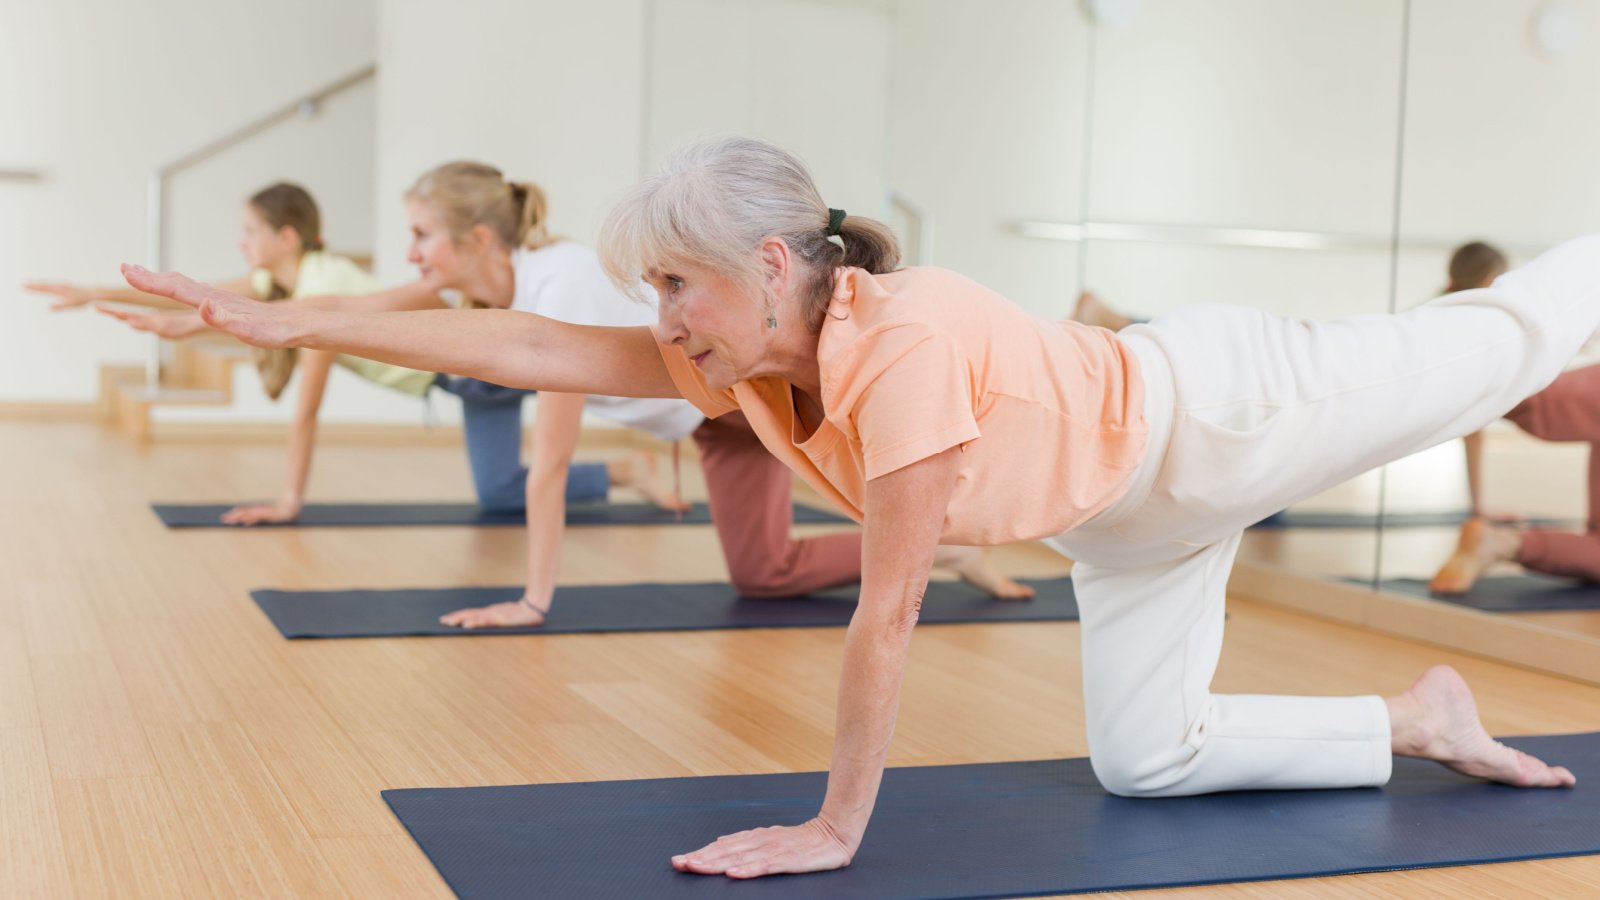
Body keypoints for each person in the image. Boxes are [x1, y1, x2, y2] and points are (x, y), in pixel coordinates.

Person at [122, 136, 1583, 881]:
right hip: (1129, 516)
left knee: (1506, 340)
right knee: (1151, 761)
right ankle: (1415, 721)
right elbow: (526, 348)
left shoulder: (907, 342)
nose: (661, 320)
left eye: (675, 286)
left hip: (1225, 410)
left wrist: (835, 829)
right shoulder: (750, 357)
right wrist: (286, 330)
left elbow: (887, 618)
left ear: (768, 261)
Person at [108, 162, 1027, 626]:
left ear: (476, 240)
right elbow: (354, 306)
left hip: (740, 409)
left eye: (424, 236)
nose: (414, 256)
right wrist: (227, 316)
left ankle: (936, 552)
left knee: (770, 569)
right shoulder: (488, 276)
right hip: (713, 417)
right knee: (759, 573)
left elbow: (545, 462)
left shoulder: (554, 288)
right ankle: (938, 553)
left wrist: (536, 600)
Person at [30, 182, 676, 524]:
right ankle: (624, 474)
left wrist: (289, 499)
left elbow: (305, 407)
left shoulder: (323, 287)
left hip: (472, 375)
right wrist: (92, 292)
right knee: (501, 491)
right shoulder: (288, 278)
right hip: (452, 380)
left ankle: (624, 472)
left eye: (250, 233)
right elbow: (211, 299)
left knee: (511, 486)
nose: (242, 245)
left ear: (287, 236)